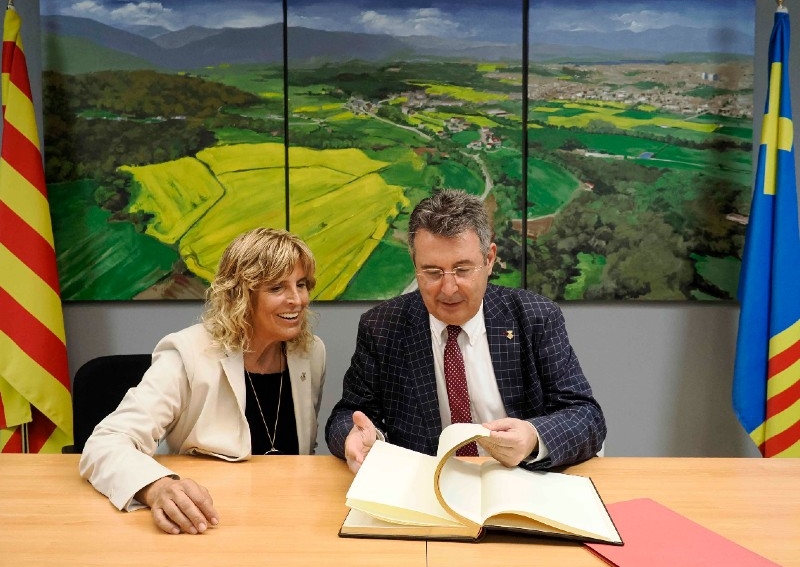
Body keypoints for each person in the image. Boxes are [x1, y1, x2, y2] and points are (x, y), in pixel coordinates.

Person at [326, 189, 605, 474]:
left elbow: (586, 416)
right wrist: (356, 436)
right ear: (415, 265)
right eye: (432, 272)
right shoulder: (382, 327)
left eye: (462, 270)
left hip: (517, 482)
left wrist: (533, 437)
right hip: (424, 489)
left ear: (489, 259)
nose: (448, 289)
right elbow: (348, 415)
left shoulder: (535, 318)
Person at [80, 227, 326, 534]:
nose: (297, 299)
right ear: (241, 295)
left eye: (301, 285)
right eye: (277, 288)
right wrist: (156, 487)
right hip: (210, 520)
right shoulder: (188, 353)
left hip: (287, 520)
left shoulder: (310, 352)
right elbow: (105, 443)